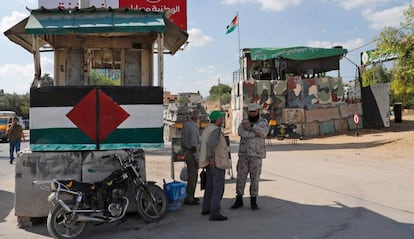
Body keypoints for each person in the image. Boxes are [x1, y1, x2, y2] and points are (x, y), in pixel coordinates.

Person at [231, 103, 269, 210]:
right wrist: (254, 134)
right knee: (241, 177)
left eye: (254, 112)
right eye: (250, 112)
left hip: (256, 155)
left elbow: (264, 133)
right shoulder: (244, 122)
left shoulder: (263, 122)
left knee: (255, 178)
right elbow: (241, 132)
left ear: (258, 111)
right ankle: (239, 199)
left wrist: (253, 127)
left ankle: (254, 201)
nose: (252, 114)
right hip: (244, 154)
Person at [199, 110, 231, 221]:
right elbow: (211, 146)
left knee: (210, 187)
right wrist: (212, 159)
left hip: (210, 163)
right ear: (217, 119)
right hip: (216, 162)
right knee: (218, 188)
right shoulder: (215, 130)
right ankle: (215, 213)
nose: (222, 120)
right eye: (221, 118)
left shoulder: (207, 129)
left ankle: (206, 208)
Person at [181, 110, 201, 205]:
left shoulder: (187, 125)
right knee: (193, 176)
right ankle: (190, 198)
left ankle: (190, 196)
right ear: (198, 118)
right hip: (191, 153)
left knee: (191, 176)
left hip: (186, 151)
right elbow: (194, 146)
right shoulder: (193, 128)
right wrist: (197, 159)